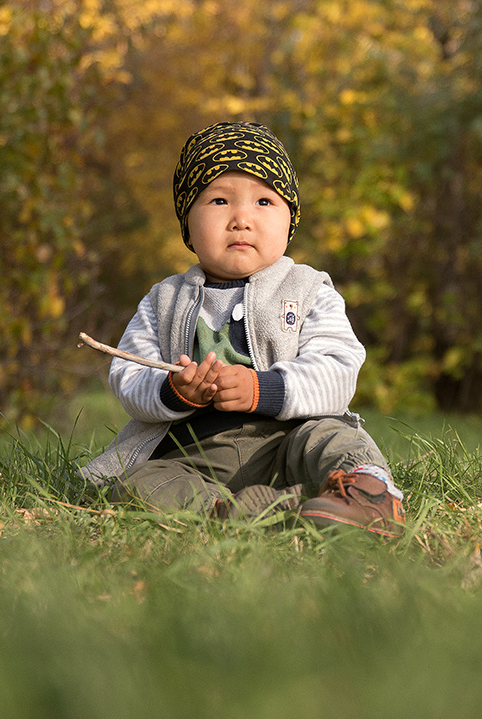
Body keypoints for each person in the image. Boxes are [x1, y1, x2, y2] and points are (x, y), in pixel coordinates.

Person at [79, 121, 405, 537]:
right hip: (195, 455)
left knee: (332, 437)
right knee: (137, 483)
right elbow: (127, 375)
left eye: (265, 202)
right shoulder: (163, 300)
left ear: (290, 221)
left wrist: (262, 389)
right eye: (218, 200)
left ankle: (368, 497)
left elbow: (338, 370)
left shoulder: (308, 291)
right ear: (188, 225)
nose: (241, 219)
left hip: (289, 440)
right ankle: (252, 511)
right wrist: (173, 391)